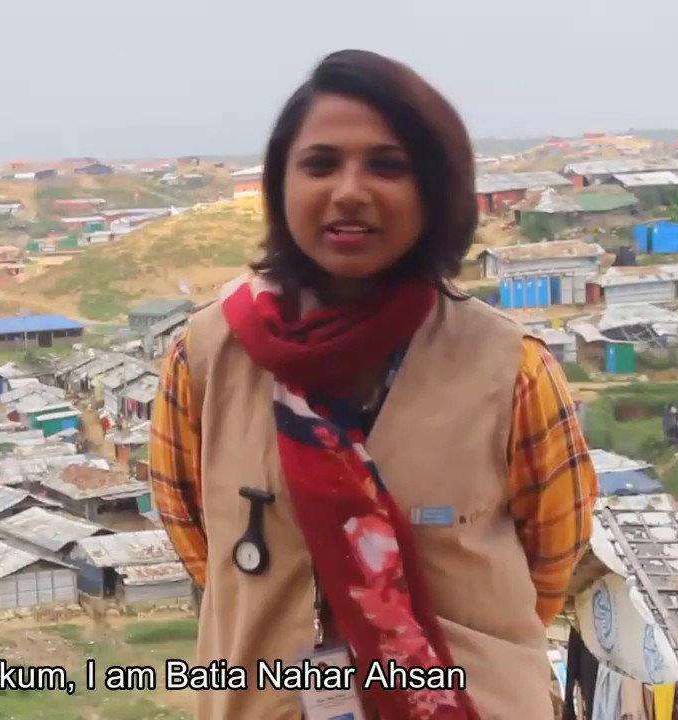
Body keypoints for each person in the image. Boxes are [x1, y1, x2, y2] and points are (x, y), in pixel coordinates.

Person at [149, 50, 598, 720]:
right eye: (321, 164)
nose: (350, 190)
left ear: (434, 189)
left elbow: (550, 564)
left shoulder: (511, 369)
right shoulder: (206, 359)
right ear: (281, 184)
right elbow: (199, 542)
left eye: (387, 165)